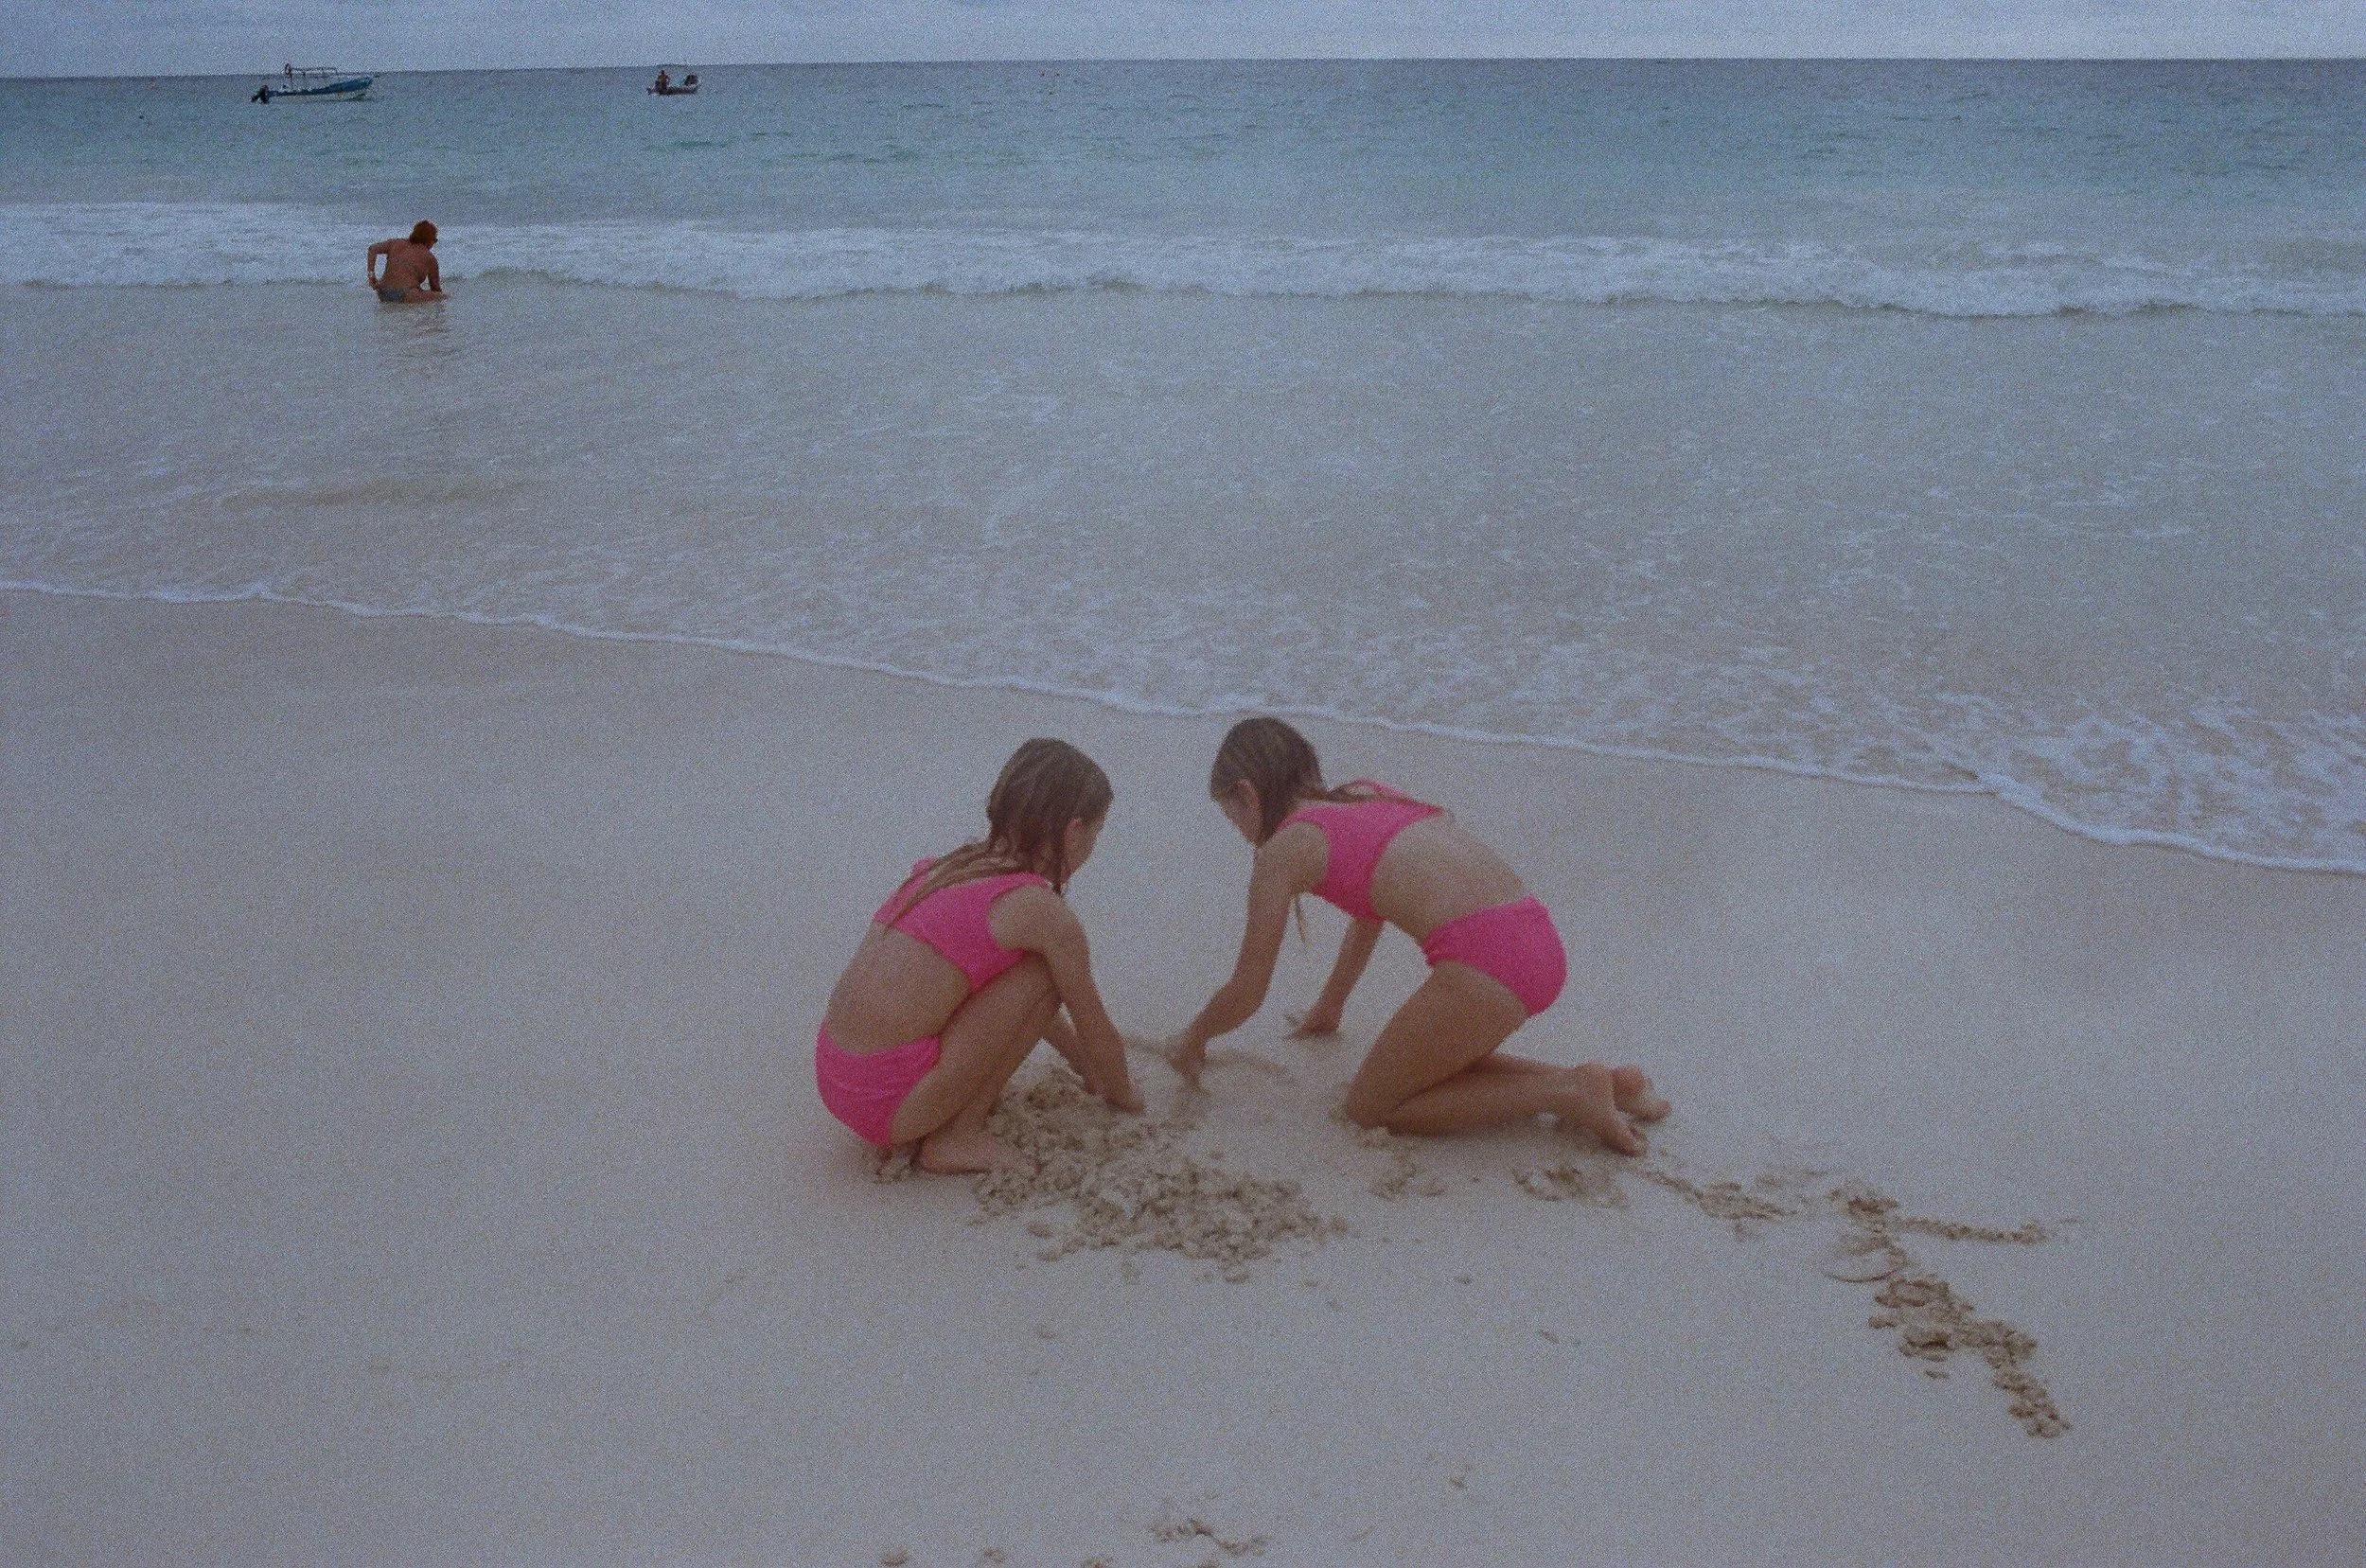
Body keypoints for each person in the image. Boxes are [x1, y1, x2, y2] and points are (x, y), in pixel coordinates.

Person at [1166, 717, 1669, 1154]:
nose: (1238, 830)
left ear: (1248, 794)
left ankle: (1565, 1092)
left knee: (1371, 1106)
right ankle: (1614, 1087)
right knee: (1427, 1063)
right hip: (1536, 937)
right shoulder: (1366, 793)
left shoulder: (1284, 850)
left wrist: (1193, 1037)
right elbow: (1367, 914)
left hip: (1486, 962)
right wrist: (1330, 1006)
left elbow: (1248, 989)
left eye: (1231, 816)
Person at [817, 738, 1142, 1173]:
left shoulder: (949, 866)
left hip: (835, 1073)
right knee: (1046, 972)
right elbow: (1092, 1021)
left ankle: (928, 1118)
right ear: (1074, 831)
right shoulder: (1039, 911)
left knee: (1004, 966)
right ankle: (955, 1137)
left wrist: (1081, 1064)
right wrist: (1125, 1096)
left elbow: (1009, 1003)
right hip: (886, 1100)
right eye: (1096, 834)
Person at [366, 221, 443, 304]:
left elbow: (372, 249)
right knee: (442, 297)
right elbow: (436, 288)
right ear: (429, 239)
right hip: (406, 294)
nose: (434, 244)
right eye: (434, 240)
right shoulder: (430, 258)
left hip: (383, 292)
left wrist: (371, 275)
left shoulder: (395, 243)